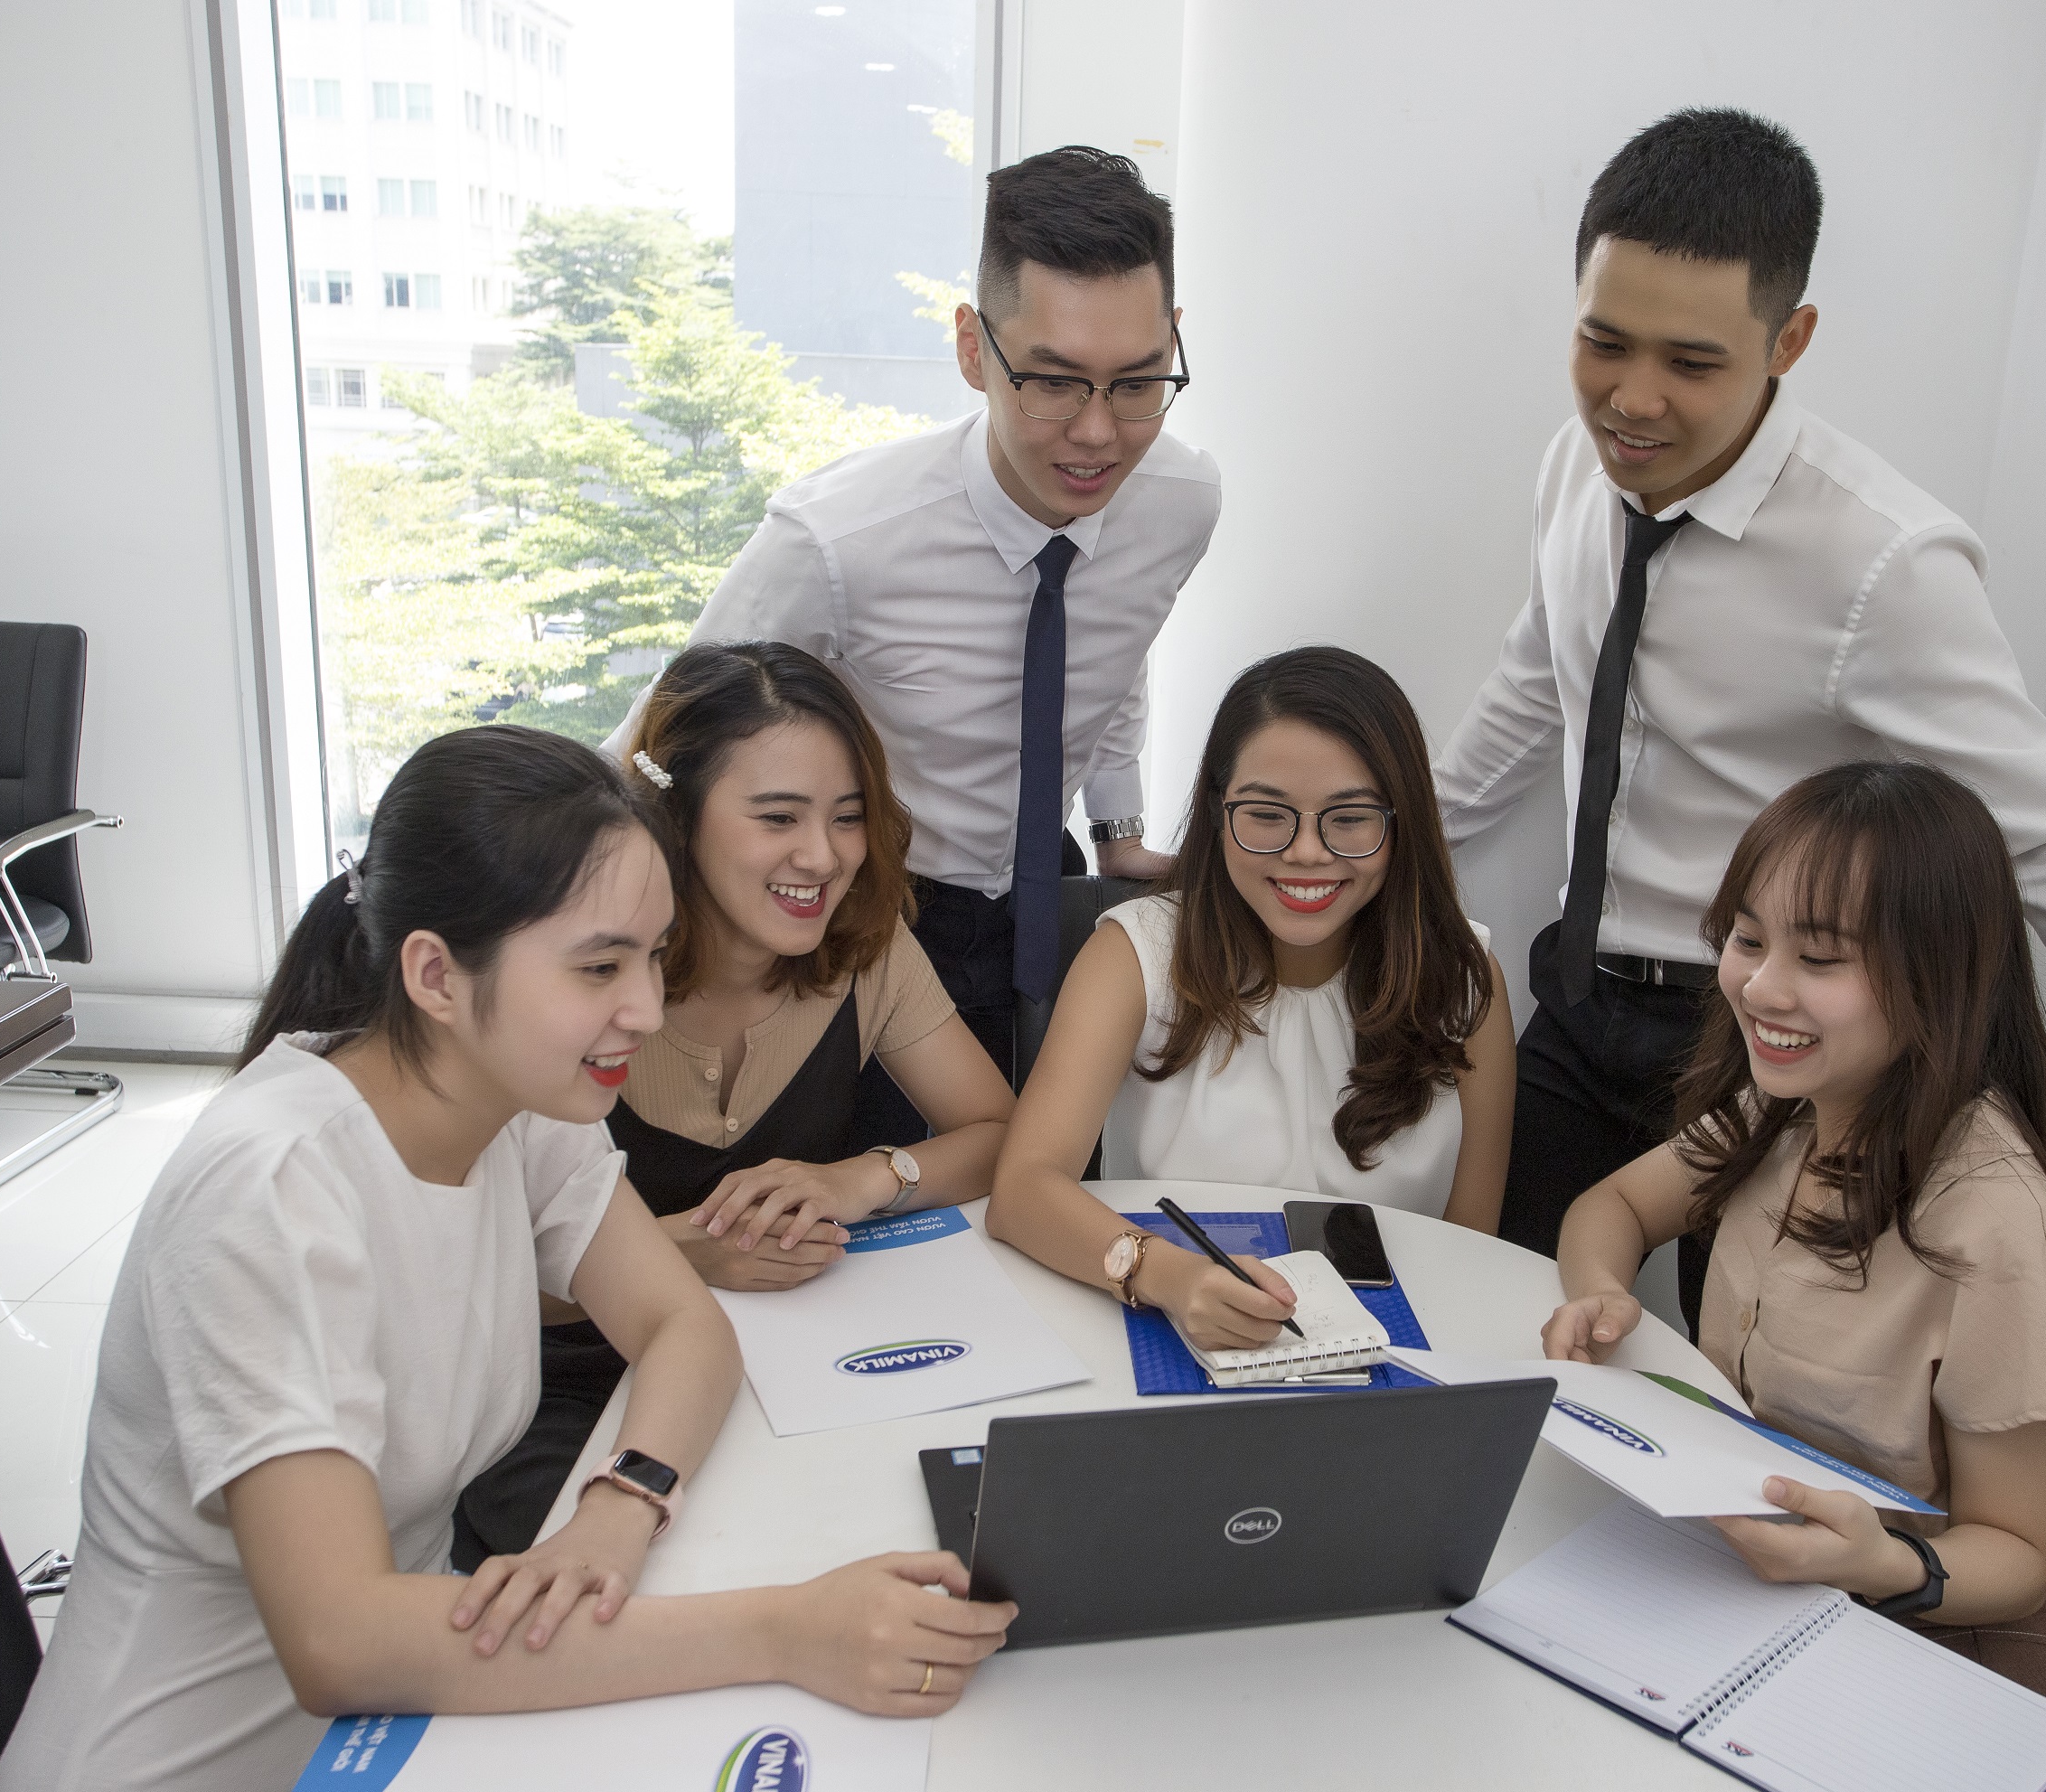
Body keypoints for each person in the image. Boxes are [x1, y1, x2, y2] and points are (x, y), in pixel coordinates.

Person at [1432, 107, 2046, 1328]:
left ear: (1790, 339)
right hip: (1582, 995)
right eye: (1603, 342)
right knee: (1488, 1325)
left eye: (1692, 364)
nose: (1632, 399)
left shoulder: (1883, 560)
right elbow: (1536, 683)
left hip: (1764, 1038)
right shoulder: (1577, 466)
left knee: (1736, 1395)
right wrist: (1372, 852)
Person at [0, 726, 1014, 1792]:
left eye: (654, 956)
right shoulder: (273, 1188)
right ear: (434, 976)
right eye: (599, 968)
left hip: (394, 1757)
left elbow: (683, 1326)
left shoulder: (522, 1104)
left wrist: (620, 1506)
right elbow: (341, 1640)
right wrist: (783, 1631)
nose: (646, 1007)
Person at [1541, 762, 2046, 1792]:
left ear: (1934, 979)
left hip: (1936, 1638)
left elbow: (2016, 1556)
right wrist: (1601, 1287)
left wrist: (1884, 1561)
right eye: (1748, 939)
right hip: (1774, 1589)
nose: (1761, 986)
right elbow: (1612, 1206)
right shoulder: (1788, 1108)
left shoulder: (1990, 1221)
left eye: (1821, 958)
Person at [601, 145, 1219, 1143]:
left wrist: (1119, 822)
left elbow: (1117, 641)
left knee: (1044, 1176)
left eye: (1138, 382)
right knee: (865, 1200)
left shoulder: (1183, 503)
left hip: (1044, 898)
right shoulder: (835, 539)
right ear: (973, 349)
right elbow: (661, 740)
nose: (1099, 433)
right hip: (871, 915)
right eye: (1054, 382)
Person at [453, 643, 1015, 1569]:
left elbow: (1002, 1137)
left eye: (848, 817)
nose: (823, 856)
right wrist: (684, 1250)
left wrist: (865, 1179)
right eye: (777, 817)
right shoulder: (566, 980)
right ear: (674, 820)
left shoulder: (864, 947)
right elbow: (461, 1282)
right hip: (564, 1391)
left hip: (782, 1361)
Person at [990, 647, 1515, 1349]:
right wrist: (1166, 1275)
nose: (1306, 852)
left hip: (1392, 1352)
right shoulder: (1134, 953)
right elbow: (1023, 1190)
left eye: (1349, 818)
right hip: (1159, 1331)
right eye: (1267, 813)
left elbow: (1475, 1246)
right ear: (1217, 810)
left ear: (1402, 822)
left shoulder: (1466, 978)